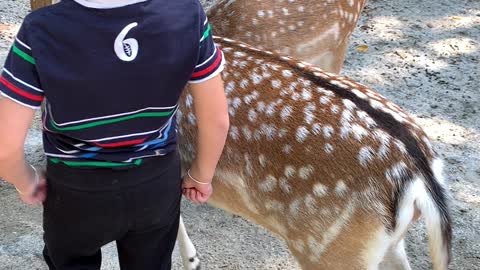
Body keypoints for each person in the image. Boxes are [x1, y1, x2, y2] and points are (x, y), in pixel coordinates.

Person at [0, 0, 230, 269]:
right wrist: (201, 175)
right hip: (156, 185)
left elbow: (5, 147)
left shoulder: (39, 30)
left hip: (75, 194)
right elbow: (216, 120)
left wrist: (26, 181)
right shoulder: (188, 14)